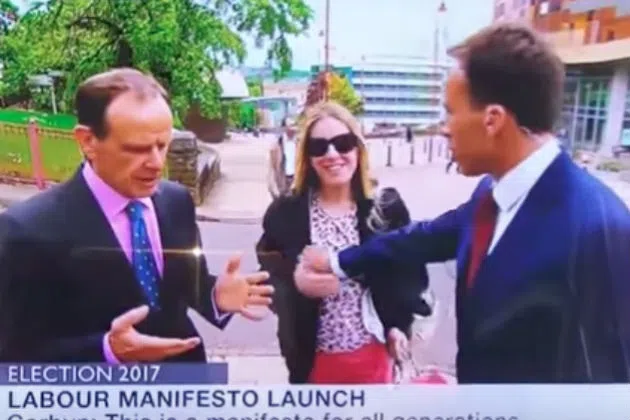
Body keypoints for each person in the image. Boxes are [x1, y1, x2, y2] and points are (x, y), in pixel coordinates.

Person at [296, 23, 630, 383]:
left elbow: (607, 385)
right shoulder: (490, 195)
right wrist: (337, 262)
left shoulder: (597, 227)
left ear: (493, 120)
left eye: (450, 112)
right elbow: (422, 238)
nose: (444, 128)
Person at [0, 68, 274, 363]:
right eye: (137, 149)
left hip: (186, 380)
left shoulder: (177, 201)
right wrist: (107, 350)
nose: (156, 163)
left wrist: (214, 296)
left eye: (162, 145)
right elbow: (14, 354)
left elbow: (184, 287)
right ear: (87, 141)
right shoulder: (25, 230)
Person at [256, 101, 430, 384]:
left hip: (373, 357)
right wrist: (294, 281)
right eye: (319, 147)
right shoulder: (285, 213)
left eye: (343, 143)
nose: (332, 154)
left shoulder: (387, 208)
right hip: (310, 364)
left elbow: (409, 277)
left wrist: (398, 326)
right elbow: (268, 276)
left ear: (358, 149)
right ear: (307, 156)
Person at [268, 117, 298, 198]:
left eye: (295, 124)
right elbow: (272, 169)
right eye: (291, 125)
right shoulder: (276, 145)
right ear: (284, 128)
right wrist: (273, 189)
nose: (295, 127)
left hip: (297, 181)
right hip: (283, 181)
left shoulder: (301, 144)